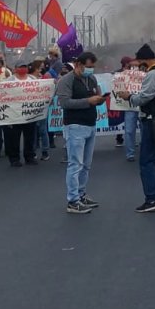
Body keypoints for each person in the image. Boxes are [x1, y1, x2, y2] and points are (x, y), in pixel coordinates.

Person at [118, 44, 155, 213]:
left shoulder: (153, 74)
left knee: (147, 161)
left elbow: (144, 97)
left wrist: (130, 97)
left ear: (144, 60)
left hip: (152, 121)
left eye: (140, 62)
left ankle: (151, 198)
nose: (139, 66)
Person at [57, 51, 104, 214]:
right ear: (78, 64)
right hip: (75, 125)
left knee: (86, 164)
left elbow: (94, 96)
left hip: (90, 124)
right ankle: (73, 201)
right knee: (75, 164)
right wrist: (88, 101)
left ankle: (81, 194)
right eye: (88, 67)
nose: (91, 70)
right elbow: (64, 102)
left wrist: (99, 99)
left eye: (92, 67)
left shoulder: (91, 78)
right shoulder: (66, 81)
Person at [2, 61, 39, 168]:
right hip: (15, 114)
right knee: (14, 138)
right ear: (15, 69)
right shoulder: (10, 80)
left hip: (30, 113)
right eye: (21, 67)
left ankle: (29, 157)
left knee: (30, 137)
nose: (23, 69)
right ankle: (14, 159)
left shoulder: (33, 79)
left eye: (24, 67)